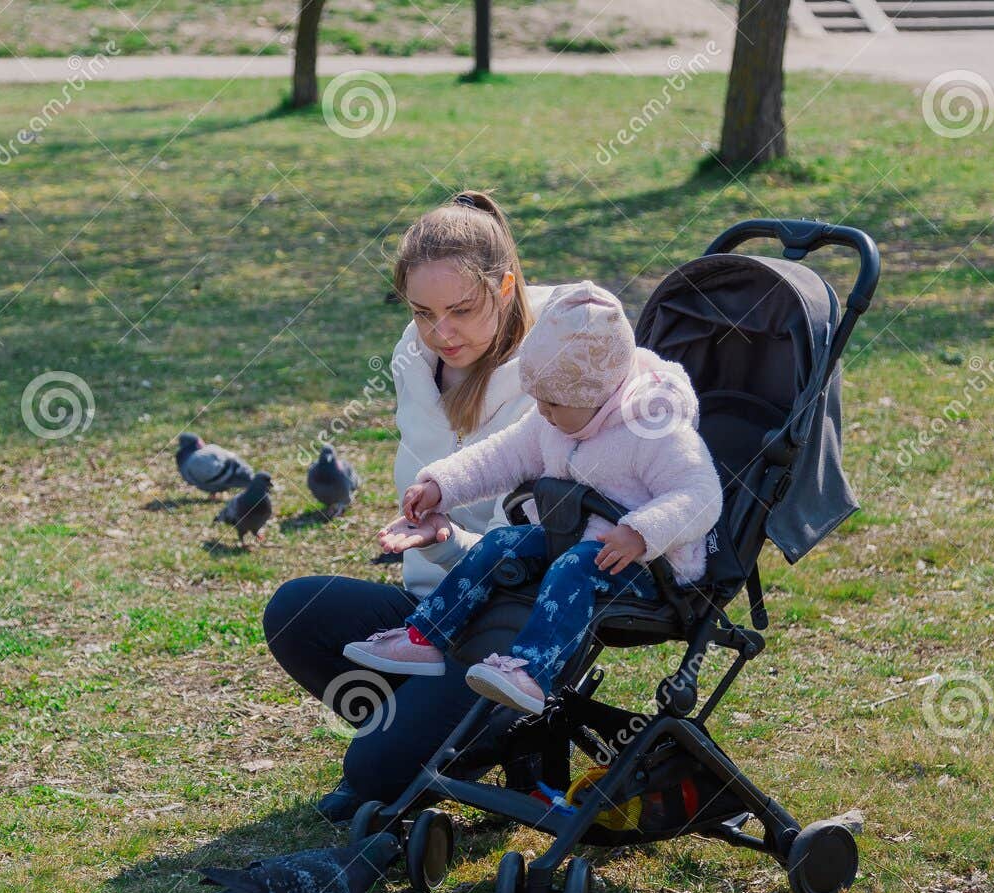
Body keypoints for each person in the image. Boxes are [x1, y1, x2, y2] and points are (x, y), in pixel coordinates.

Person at [262, 190, 554, 818]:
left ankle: (461, 742)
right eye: (422, 312)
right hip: (426, 617)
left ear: (504, 288)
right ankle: (437, 742)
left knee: (371, 773)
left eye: (460, 310)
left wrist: (446, 539)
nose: (439, 332)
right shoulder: (417, 364)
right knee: (294, 612)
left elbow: (538, 553)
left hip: (508, 637)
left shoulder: (554, 380)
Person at [343, 282, 722, 715]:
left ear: (599, 395)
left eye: (553, 403)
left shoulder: (654, 429)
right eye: (537, 399)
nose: (541, 412)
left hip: (646, 564)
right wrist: (441, 484)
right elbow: (503, 454)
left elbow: (701, 494)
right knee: (499, 545)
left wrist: (641, 532)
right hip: (574, 536)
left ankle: (530, 670)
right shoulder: (556, 416)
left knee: (573, 568)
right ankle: (426, 636)